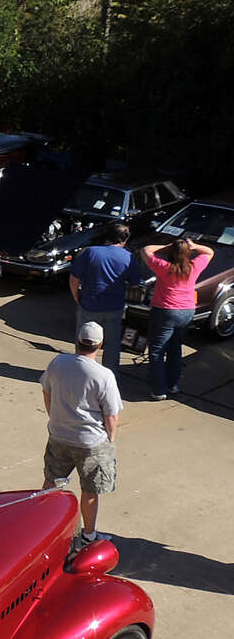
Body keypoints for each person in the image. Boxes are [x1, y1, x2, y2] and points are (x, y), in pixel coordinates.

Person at [41, 321, 122, 548]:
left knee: (52, 483)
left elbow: (46, 390)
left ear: (77, 341)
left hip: (58, 435)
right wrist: (111, 437)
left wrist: (54, 417)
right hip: (91, 442)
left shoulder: (58, 363)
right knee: (90, 490)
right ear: (100, 345)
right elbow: (111, 415)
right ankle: (88, 535)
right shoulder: (104, 376)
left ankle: (45, 528)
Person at [138, 236, 214, 400]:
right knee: (175, 348)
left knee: (157, 351)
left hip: (164, 311)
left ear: (171, 253)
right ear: (188, 254)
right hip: (186, 311)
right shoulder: (193, 267)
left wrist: (167, 246)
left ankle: (158, 389)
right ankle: (172, 384)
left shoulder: (164, 267)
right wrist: (193, 246)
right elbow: (209, 252)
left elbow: (146, 249)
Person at [69, 222, 134, 375]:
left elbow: (74, 278)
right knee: (112, 344)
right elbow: (135, 283)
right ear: (124, 239)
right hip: (114, 308)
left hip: (89, 305)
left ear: (107, 236)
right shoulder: (129, 257)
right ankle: (110, 376)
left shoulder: (91, 252)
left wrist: (76, 295)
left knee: (84, 340)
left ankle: (81, 373)